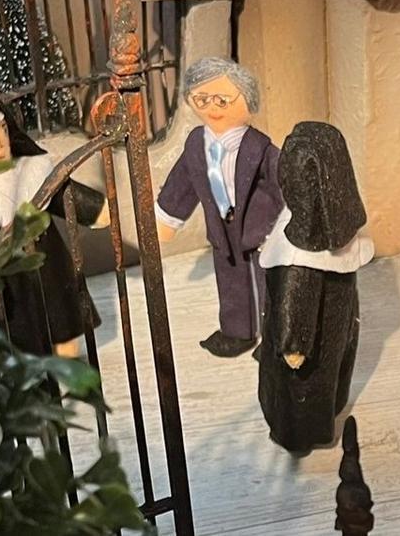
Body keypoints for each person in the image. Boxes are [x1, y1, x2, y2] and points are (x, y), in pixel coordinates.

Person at [0, 96, 108, 356]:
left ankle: (65, 355)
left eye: (3, 131)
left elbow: (61, 195)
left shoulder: (30, 171)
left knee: (61, 320)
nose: (1, 144)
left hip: (48, 266)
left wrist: (96, 209)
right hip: (6, 285)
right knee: (16, 331)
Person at [155, 57, 283, 358]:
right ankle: (237, 332)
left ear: (247, 101)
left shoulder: (261, 149)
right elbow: (182, 182)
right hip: (222, 229)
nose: (212, 108)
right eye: (202, 99)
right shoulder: (196, 144)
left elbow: (283, 185)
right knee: (230, 279)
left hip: (262, 229)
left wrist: (291, 223)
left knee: (271, 283)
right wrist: (166, 220)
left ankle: (275, 337)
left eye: (223, 100)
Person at [257, 121, 373, 453]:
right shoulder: (338, 230)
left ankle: (298, 436)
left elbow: (296, 300)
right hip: (334, 334)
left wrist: (293, 343)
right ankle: (320, 419)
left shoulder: (299, 256)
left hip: (306, 348)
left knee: (302, 391)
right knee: (328, 376)